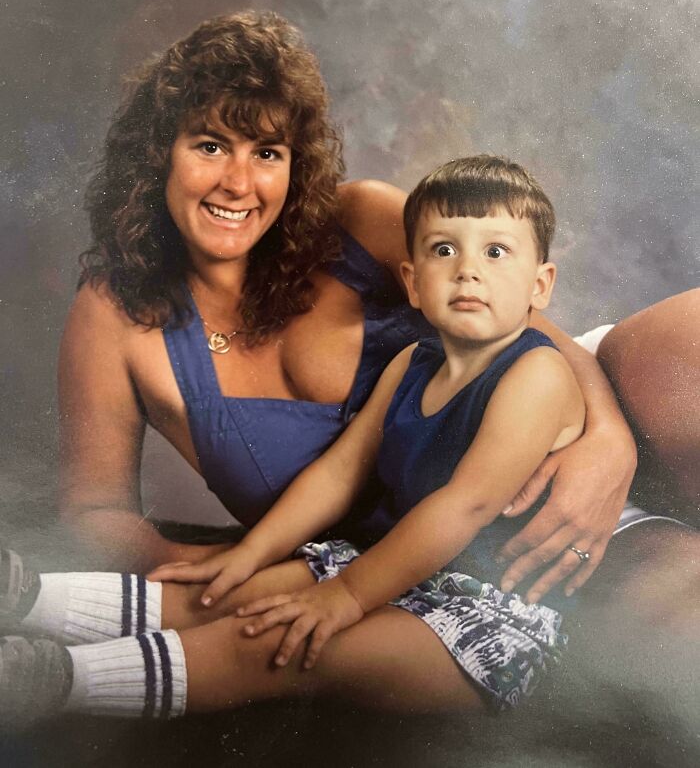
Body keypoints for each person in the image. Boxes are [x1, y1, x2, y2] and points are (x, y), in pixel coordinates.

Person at [0, 157, 694, 726]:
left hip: (498, 613)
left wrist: (347, 595)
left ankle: (59, 680)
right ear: (412, 281)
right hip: (404, 566)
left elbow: (464, 507)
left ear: (540, 284)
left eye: (496, 253)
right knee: (236, 590)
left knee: (288, 639)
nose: (469, 271)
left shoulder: (538, 376)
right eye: (444, 251)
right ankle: (26, 595)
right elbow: (339, 471)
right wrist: (252, 551)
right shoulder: (413, 362)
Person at [57, 9, 695, 613]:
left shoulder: (362, 217)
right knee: (679, 610)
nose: (239, 183)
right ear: (157, 154)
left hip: (572, 423)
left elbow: (544, 340)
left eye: (267, 152)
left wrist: (610, 445)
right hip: (470, 554)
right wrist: (202, 575)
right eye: (210, 146)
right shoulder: (116, 312)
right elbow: (94, 514)